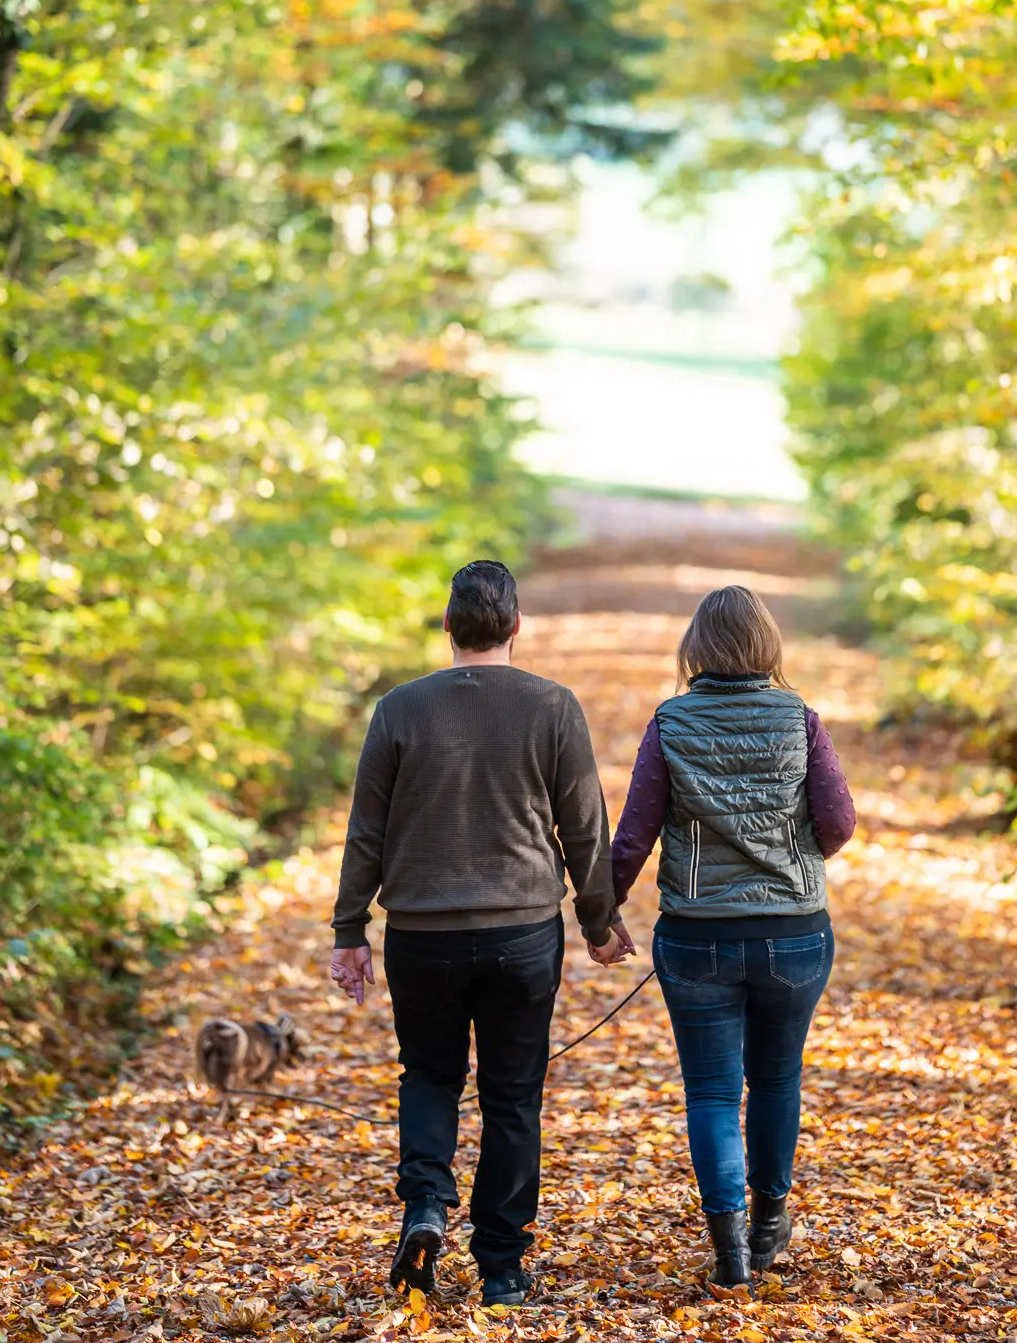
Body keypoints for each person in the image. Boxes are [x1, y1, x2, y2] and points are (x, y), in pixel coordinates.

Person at [329, 560, 634, 1308]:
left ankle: (426, 1204)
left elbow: (367, 829)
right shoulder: (552, 705)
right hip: (521, 934)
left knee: (428, 1076)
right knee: (513, 1096)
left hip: (421, 936)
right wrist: (598, 921)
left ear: (448, 626)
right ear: (516, 626)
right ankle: (501, 1266)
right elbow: (585, 827)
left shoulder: (399, 708)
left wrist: (350, 929)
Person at [611, 585, 855, 1287]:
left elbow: (635, 835)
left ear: (697, 648)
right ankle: (770, 1221)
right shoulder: (798, 719)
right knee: (776, 1077)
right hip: (794, 935)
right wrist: (792, 856)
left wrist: (602, 911)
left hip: (698, 937)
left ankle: (730, 1251)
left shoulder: (672, 721)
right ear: (766, 645)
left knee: (713, 1093)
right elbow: (838, 823)